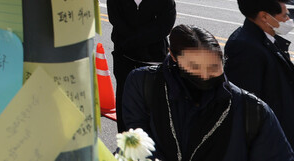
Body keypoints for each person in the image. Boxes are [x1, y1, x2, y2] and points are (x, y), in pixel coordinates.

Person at [122, 25, 294, 161]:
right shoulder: (144, 83)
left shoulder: (251, 108)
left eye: (213, 68)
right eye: (194, 67)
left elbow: (277, 155)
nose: (204, 76)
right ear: (173, 57)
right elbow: (136, 134)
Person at [107, 0, 176, 131]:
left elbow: (163, 29)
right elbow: (116, 21)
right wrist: (129, 43)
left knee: (154, 99)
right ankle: (125, 136)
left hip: (154, 57)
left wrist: (136, 41)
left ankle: (155, 137)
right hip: (124, 56)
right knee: (124, 96)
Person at [225, 0, 294, 147]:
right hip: (273, 133)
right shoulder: (245, 47)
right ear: (264, 16)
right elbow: (248, 103)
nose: (288, 19)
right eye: (284, 15)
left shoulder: (266, 36)